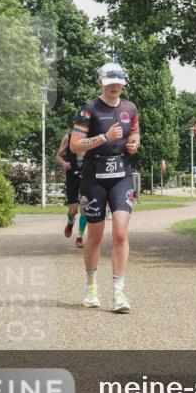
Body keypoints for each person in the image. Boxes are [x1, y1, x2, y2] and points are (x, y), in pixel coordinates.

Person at [70, 63, 141, 313]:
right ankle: (91, 288)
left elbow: (135, 135)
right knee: (96, 236)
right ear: (100, 82)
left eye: (118, 81)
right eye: (109, 80)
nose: (114, 85)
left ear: (123, 83)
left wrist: (133, 145)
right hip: (94, 177)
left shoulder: (130, 108)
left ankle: (119, 293)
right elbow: (75, 145)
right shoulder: (90, 110)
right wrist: (104, 138)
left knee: (121, 233)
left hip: (121, 175)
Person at [55, 131, 88, 247]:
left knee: (85, 208)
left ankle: (79, 238)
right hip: (72, 176)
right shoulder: (68, 138)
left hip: (86, 176)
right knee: (73, 211)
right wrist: (63, 163)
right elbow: (57, 156)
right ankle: (70, 222)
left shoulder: (92, 137)